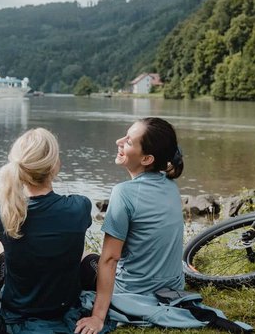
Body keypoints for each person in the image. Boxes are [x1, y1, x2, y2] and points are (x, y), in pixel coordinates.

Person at [75, 117, 185, 334]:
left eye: (128, 141)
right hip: (172, 290)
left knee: (81, 257)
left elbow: (109, 259)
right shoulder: (171, 186)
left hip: (134, 292)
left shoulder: (123, 193)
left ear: (146, 159)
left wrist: (98, 317)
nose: (119, 141)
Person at [0, 128, 92, 333]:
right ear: (55, 166)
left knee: (0, 244)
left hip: (15, 313)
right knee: (85, 254)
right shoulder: (80, 207)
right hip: (62, 310)